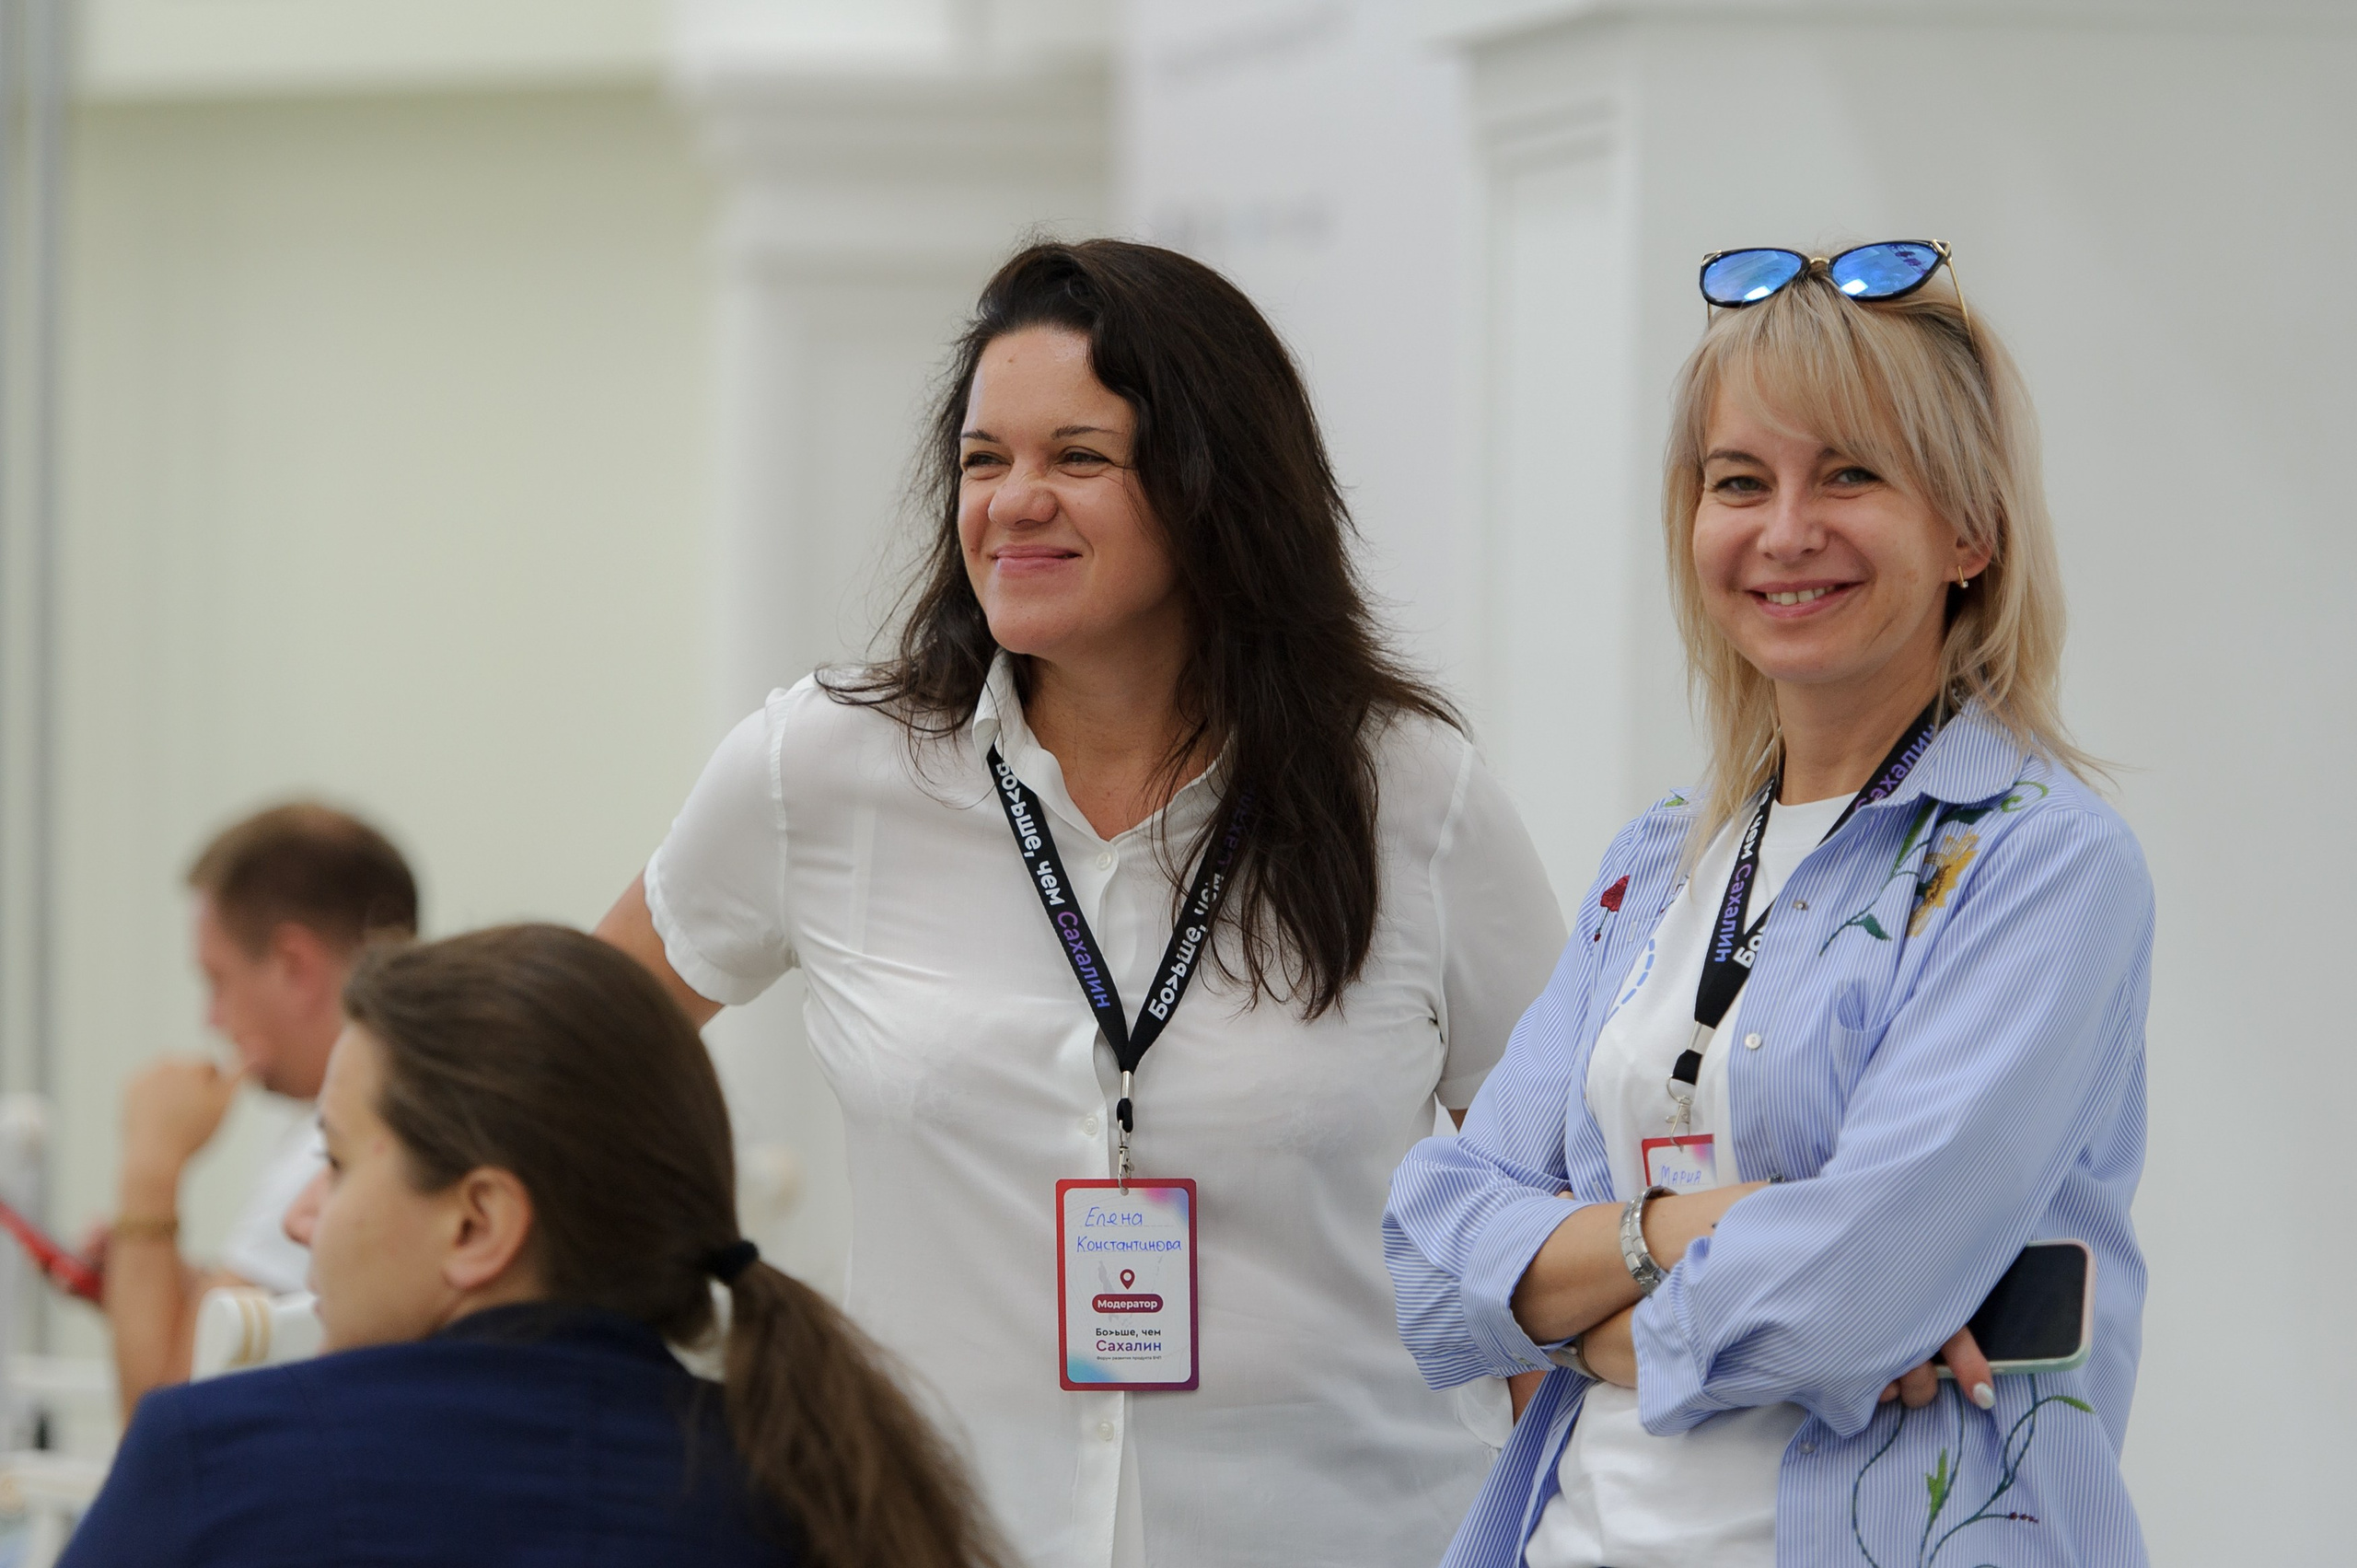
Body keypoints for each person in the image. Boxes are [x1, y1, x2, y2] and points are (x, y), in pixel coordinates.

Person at [597, 238, 1565, 1568]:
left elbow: (1550, 1207)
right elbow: (571, 1056)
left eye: (1078, 456)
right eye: (983, 459)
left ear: (1214, 482)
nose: (1014, 501)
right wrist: (687, 1314)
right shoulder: (821, 766)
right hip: (945, 1536)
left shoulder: (1410, 793)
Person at [1385, 241, 2152, 1567]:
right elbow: (1434, 1244)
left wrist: (1567, 1308)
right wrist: (1695, 1228)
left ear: (1969, 531)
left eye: (1849, 474)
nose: (1785, 530)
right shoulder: (1652, 862)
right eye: (1739, 481)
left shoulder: (2042, 864)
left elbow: (1853, 1292)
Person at [61, 924, 1007, 1568]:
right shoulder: (820, 1496)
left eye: (337, 1163)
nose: (302, 1219)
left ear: (477, 1224)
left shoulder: (217, 1463)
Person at [103, 802, 417, 1415]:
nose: (212, 1019)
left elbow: (163, 1424)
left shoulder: (331, 1151)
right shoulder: (409, 1110)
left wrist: (149, 1173)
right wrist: (148, 1277)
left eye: (217, 980)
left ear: (295, 966)